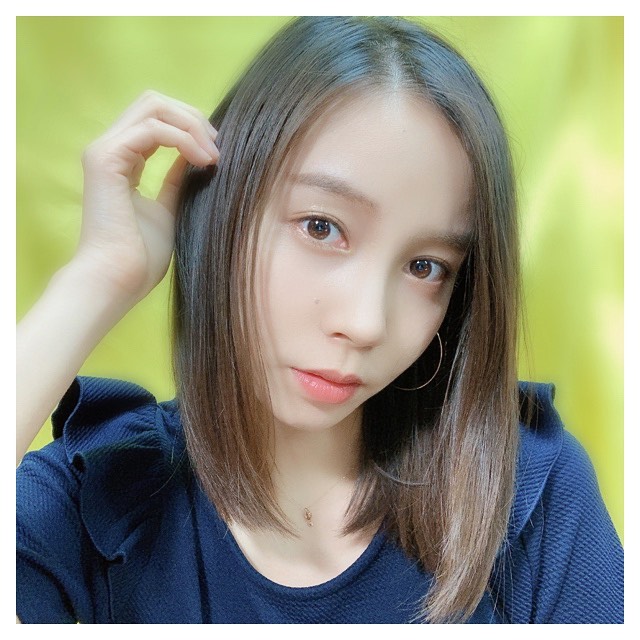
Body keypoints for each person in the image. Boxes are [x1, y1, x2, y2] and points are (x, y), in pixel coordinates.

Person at [16, 16, 623, 624]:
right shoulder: (92, 500)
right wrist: (95, 280)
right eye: (321, 227)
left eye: (425, 267)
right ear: (225, 208)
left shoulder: (526, 494)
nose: (365, 324)